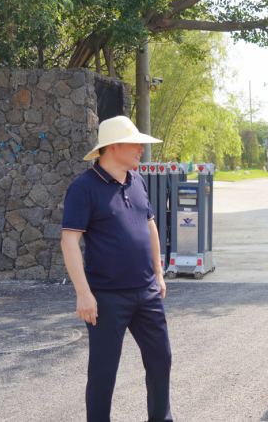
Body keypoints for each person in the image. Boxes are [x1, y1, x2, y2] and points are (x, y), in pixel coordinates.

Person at [60, 116, 172, 422]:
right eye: (135, 144)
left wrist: (158, 274)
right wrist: (83, 294)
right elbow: (69, 242)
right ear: (113, 147)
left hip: (147, 292)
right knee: (103, 372)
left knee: (161, 360)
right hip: (106, 297)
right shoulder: (83, 187)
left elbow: (150, 227)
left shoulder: (137, 181)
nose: (141, 150)